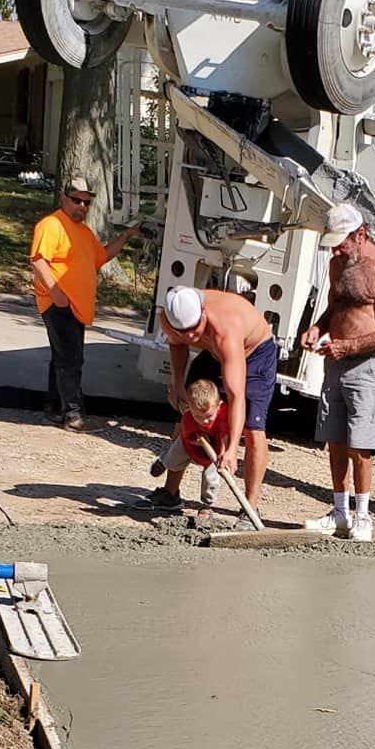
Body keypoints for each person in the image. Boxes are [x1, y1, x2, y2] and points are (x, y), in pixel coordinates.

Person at [300, 203, 375, 542]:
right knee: (334, 440)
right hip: (335, 362)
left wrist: (350, 347)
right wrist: (317, 327)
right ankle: (339, 512)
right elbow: (336, 305)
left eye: (342, 242)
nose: (336, 249)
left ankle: (363, 516)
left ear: (360, 235)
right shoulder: (336, 264)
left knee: (361, 445)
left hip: (367, 364)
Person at [159, 285, 278, 529]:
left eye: (195, 330)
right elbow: (178, 343)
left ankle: (250, 507)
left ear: (203, 313)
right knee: (188, 415)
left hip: (254, 355)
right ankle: (169, 494)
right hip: (213, 354)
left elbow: (236, 397)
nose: (191, 337)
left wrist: (232, 448)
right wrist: (178, 383)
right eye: (185, 332)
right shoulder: (169, 318)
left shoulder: (227, 327)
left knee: (253, 430)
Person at [30, 176, 140, 432]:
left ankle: (55, 407)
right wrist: (56, 293)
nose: (82, 206)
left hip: (75, 307)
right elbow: (38, 260)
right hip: (59, 304)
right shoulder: (51, 224)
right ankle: (73, 412)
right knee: (71, 359)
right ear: (64, 198)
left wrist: (126, 236)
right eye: (76, 200)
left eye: (86, 202)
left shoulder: (83, 232)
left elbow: (101, 257)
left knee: (63, 356)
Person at [144, 379, 229, 517]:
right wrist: (195, 440)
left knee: (211, 477)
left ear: (218, 406)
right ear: (189, 408)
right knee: (175, 455)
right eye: (198, 417)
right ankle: (164, 461)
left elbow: (226, 438)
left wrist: (223, 454)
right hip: (191, 443)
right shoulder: (189, 417)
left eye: (208, 416)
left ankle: (207, 506)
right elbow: (185, 435)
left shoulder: (223, 417)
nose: (204, 421)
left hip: (215, 450)